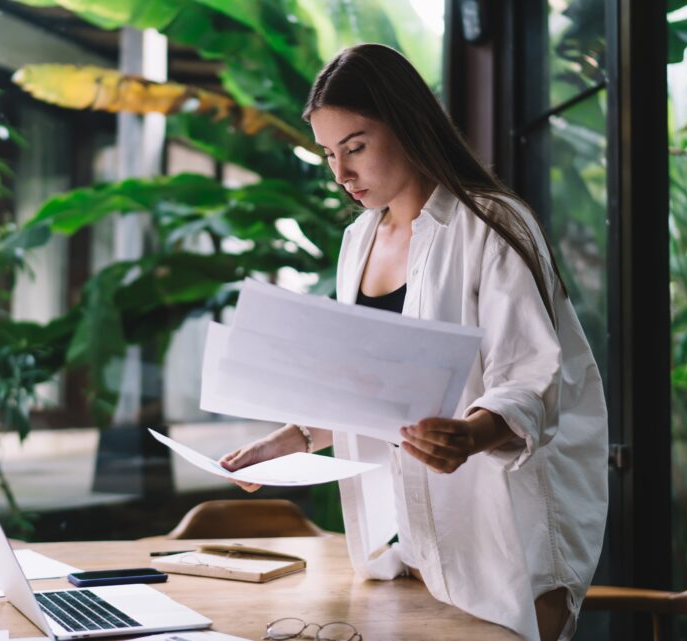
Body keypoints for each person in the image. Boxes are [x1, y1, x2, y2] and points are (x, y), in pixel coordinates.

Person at [218, 43, 607, 641]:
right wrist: (292, 439)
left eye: (356, 147)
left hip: (508, 542)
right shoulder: (359, 240)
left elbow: (532, 381)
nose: (341, 173)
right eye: (328, 154)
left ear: (407, 124)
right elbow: (374, 394)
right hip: (418, 551)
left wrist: (473, 434)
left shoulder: (491, 225)